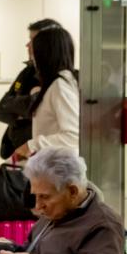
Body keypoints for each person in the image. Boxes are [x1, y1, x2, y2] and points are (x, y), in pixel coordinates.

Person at [0, 147, 124, 254]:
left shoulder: (103, 224)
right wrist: (10, 252)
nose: (38, 206)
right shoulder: (56, 212)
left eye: (45, 197)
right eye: (35, 196)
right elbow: (34, 252)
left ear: (72, 191)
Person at [0, 18, 61, 160]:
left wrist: (21, 109)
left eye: (32, 40)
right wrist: (30, 106)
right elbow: (0, 110)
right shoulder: (28, 73)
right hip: (18, 152)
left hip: (42, 155)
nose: (27, 45)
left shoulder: (61, 80)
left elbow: (51, 119)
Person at [13, 26, 79, 159]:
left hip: (58, 167)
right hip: (47, 164)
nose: (33, 58)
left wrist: (32, 145)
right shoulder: (58, 82)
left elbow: (73, 136)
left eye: (35, 52)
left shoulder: (60, 85)